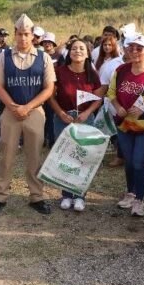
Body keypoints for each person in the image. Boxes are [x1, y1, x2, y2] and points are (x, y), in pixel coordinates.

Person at [0, 14, 56, 215]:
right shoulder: (4, 56)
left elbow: (49, 88)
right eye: (19, 34)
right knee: (6, 156)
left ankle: (37, 196)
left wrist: (27, 107)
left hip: (34, 112)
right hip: (10, 112)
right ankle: (0, 195)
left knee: (34, 156)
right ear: (15, 34)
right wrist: (12, 106)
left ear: (32, 35)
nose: (23, 38)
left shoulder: (43, 57)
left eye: (26, 34)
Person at [109, 34, 144, 217]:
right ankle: (130, 192)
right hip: (124, 125)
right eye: (130, 48)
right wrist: (117, 107)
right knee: (130, 163)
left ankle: (139, 199)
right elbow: (111, 93)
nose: (134, 51)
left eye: (139, 48)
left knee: (140, 163)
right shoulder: (121, 70)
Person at [48, 39, 103, 212]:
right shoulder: (59, 71)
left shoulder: (92, 74)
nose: (77, 51)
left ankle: (79, 195)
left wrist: (87, 113)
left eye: (81, 48)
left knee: (82, 157)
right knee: (65, 157)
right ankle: (66, 194)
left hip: (85, 119)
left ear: (87, 53)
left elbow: (98, 97)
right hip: (63, 118)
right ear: (68, 52)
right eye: (73, 48)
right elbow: (50, 96)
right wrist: (60, 113)